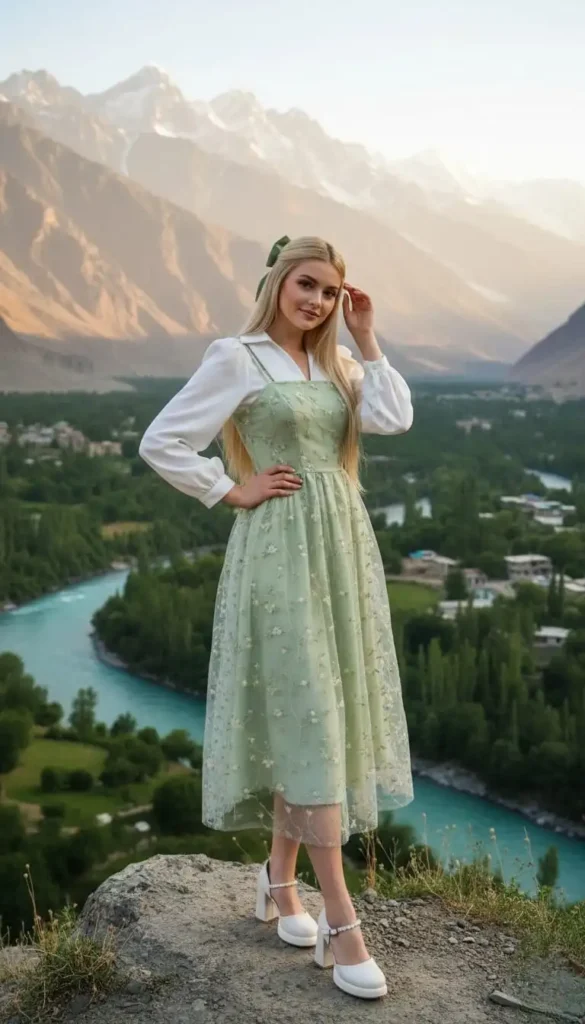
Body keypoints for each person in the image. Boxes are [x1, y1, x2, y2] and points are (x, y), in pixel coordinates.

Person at [139, 235, 414, 1000]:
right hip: (277, 551)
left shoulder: (335, 363)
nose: (316, 301)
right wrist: (229, 488)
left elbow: (392, 419)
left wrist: (365, 337)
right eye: (306, 284)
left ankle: (278, 882)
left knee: (316, 711)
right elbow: (161, 441)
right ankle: (340, 917)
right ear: (276, 283)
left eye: (329, 291)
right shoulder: (237, 355)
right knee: (312, 718)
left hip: (340, 552)